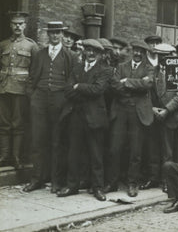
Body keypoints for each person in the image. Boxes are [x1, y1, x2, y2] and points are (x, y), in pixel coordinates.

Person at [56, 39, 111, 201]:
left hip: (94, 117)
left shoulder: (105, 70)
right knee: (73, 152)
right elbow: (67, 91)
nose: (91, 53)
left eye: (94, 51)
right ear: (84, 51)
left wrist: (78, 86)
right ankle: (72, 186)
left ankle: (98, 188)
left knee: (96, 154)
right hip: (76, 116)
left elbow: (98, 89)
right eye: (88, 50)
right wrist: (80, 88)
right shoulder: (77, 68)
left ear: (100, 54)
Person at [23, 21, 74, 193]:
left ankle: (56, 181)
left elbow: (72, 82)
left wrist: (65, 100)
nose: (55, 35)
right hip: (39, 100)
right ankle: (37, 179)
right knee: (38, 140)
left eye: (58, 32)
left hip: (59, 101)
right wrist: (33, 96)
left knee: (57, 141)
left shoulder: (69, 55)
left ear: (62, 34)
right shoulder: (40, 54)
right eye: (51, 33)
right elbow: (31, 78)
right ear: (47, 34)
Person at [105, 40, 154, 197]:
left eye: (141, 51)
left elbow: (148, 85)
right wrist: (134, 86)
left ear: (145, 53)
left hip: (137, 112)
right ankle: (112, 182)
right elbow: (114, 85)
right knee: (114, 148)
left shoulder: (149, 68)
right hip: (120, 111)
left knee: (135, 150)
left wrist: (126, 82)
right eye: (136, 50)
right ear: (132, 51)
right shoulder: (121, 66)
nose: (138, 53)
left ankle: (133, 183)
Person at [141, 43, 178, 191]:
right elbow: (147, 92)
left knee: (168, 151)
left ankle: (168, 179)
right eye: (160, 55)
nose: (163, 58)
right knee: (153, 148)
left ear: (172, 56)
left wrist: (166, 110)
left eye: (166, 56)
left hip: (170, 117)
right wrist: (153, 109)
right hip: (154, 116)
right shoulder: (153, 71)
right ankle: (153, 178)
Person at [0, 11, 38, 168]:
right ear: (10, 25)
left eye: (20, 24)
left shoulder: (31, 46)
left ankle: (16, 157)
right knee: (3, 123)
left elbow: (35, 70)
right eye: (14, 23)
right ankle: (4, 156)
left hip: (21, 90)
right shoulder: (3, 45)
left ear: (25, 25)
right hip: (3, 88)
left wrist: (29, 89)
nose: (17, 26)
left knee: (18, 123)